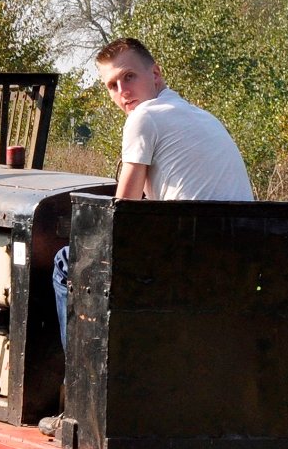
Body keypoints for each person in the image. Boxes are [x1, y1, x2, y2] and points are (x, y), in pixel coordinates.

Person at [52, 36, 253, 353]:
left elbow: (124, 213)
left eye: (129, 77)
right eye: (112, 85)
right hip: (236, 253)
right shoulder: (201, 116)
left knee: (66, 263)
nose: (122, 92)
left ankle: (79, 381)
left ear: (155, 74)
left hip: (190, 259)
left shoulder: (143, 117)